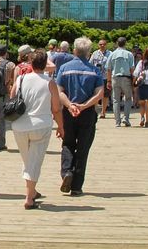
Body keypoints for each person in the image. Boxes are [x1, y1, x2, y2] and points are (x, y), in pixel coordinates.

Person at [9, 49, 68, 210]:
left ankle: (32, 191)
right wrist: (61, 127)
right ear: (45, 64)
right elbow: (56, 109)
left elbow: (12, 96)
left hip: (19, 125)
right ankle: (29, 198)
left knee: (28, 160)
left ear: (31, 63)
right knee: (34, 161)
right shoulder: (50, 83)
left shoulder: (21, 78)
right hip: (41, 124)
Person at [54, 37, 104, 197]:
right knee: (83, 148)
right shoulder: (94, 71)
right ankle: (76, 186)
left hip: (68, 112)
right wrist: (83, 106)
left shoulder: (64, 69)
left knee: (67, 143)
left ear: (74, 51)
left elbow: (59, 91)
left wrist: (70, 105)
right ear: (89, 53)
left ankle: (67, 172)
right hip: (87, 113)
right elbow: (99, 94)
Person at [106, 37, 136, 127]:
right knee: (127, 98)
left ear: (116, 43)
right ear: (125, 43)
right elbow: (132, 69)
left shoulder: (112, 54)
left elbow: (108, 69)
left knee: (116, 100)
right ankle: (126, 118)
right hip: (126, 78)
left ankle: (117, 122)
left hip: (115, 78)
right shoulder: (129, 54)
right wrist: (133, 80)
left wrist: (108, 81)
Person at [88, 39, 109, 119]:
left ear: (106, 45)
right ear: (98, 45)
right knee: (96, 94)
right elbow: (90, 63)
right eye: (100, 44)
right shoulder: (95, 53)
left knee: (105, 95)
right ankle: (95, 110)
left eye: (103, 44)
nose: (102, 46)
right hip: (96, 76)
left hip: (106, 76)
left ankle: (103, 112)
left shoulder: (110, 54)